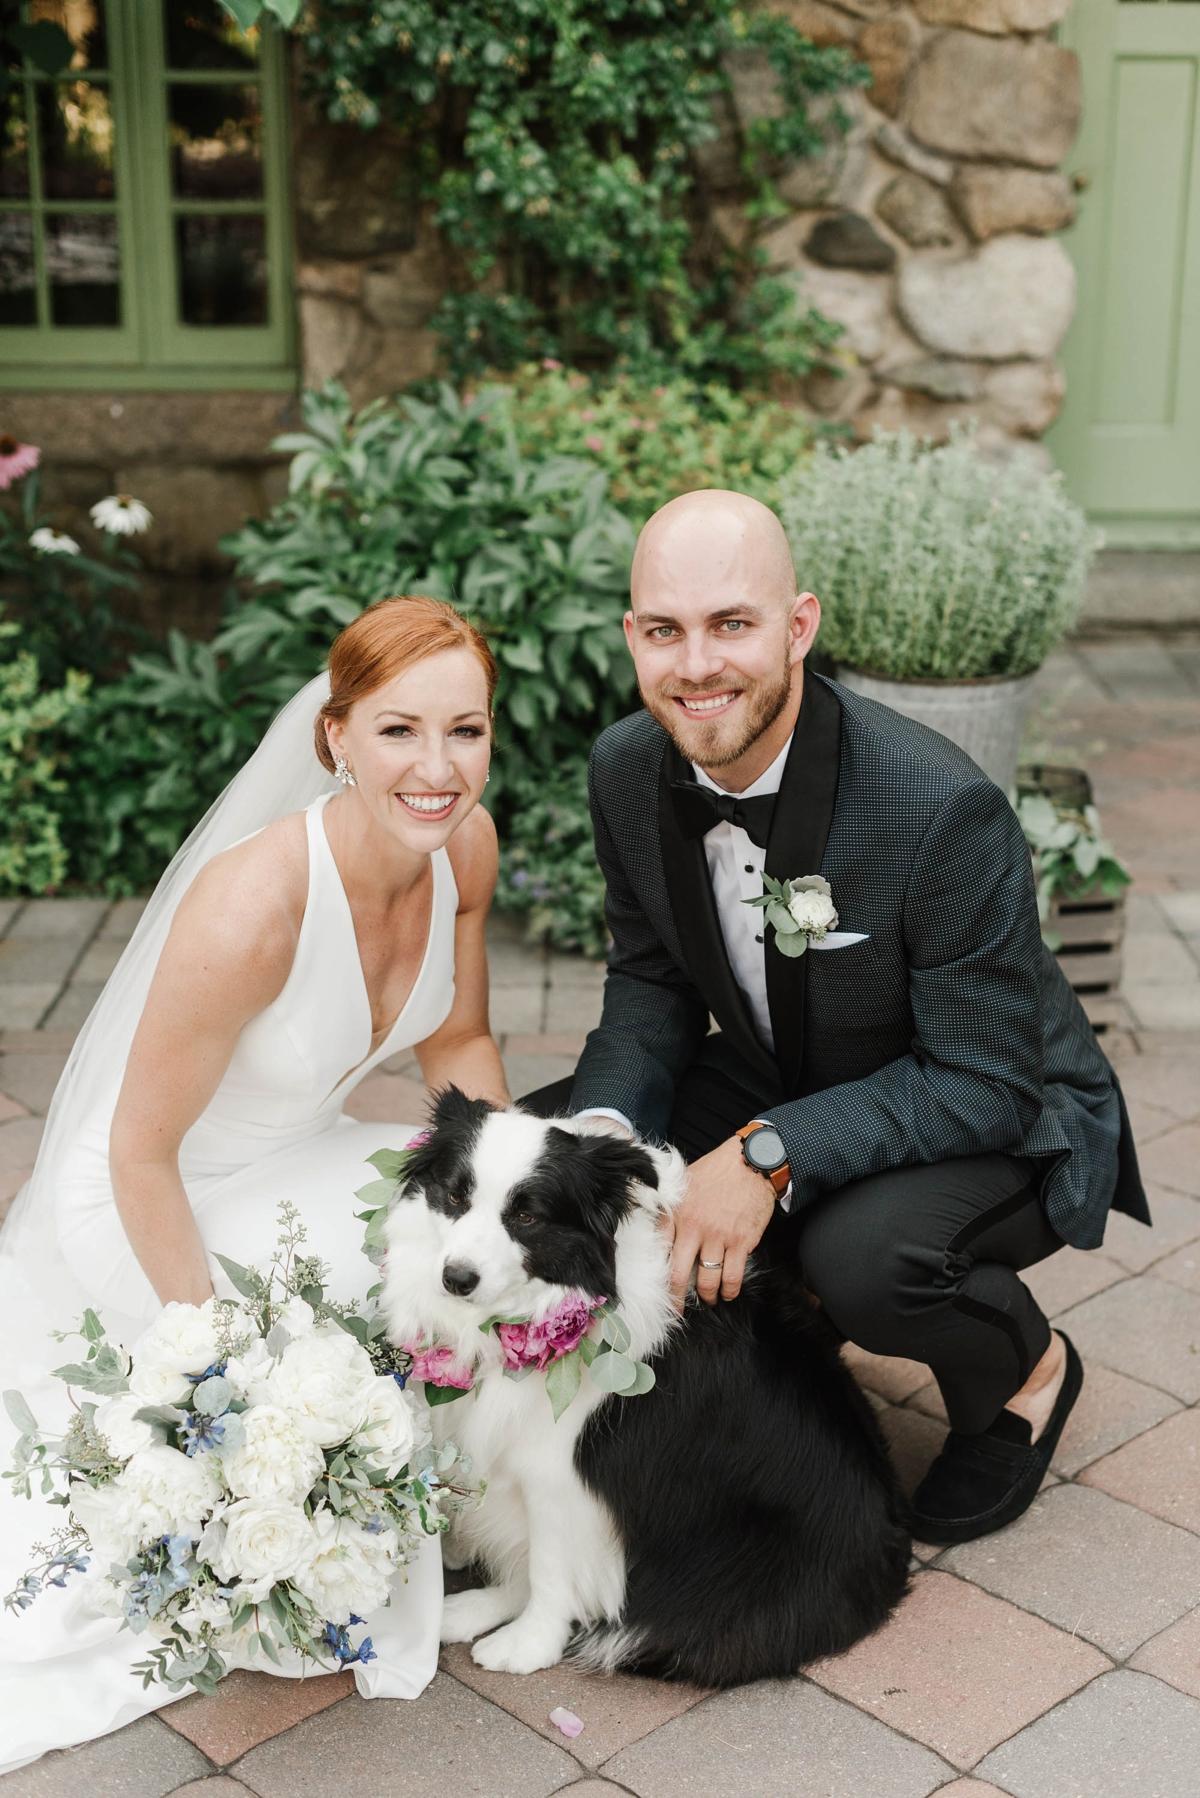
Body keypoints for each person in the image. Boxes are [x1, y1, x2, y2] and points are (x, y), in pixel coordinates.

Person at [525, 488, 1150, 1548]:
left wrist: (770, 1153)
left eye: (733, 624)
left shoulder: (939, 807)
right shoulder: (626, 768)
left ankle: (1027, 1371)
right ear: (633, 637)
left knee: (865, 1262)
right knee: (546, 1175)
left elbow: (986, 1081)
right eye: (666, 631)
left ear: (799, 627)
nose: (698, 664)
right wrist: (606, 1144)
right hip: (792, 1060)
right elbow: (652, 984)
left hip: (1001, 1108)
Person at [0, 595, 509, 1773]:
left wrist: (520, 1194)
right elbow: (136, 1152)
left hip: (296, 1156)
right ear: (334, 737)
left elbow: (461, 1048)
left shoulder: (463, 850)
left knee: (461, 1262)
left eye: (467, 731)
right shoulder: (256, 903)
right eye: (398, 731)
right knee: (325, 1366)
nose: (437, 769)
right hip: (147, 1197)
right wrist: (227, 1354)